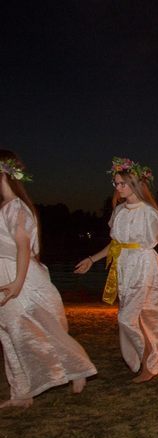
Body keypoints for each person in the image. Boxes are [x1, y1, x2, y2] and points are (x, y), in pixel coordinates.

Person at [75, 157, 158, 383]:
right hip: (124, 266)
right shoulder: (119, 211)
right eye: (115, 183)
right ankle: (149, 362)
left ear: (134, 183)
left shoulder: (148, 212)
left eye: (122, 183)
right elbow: (115, 244)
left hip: (144, 265)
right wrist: (91, 259)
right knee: (138, 318)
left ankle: (149, 364)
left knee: (128, 318)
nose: (118, 187)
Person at [0, 150, 97, 407]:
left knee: (33, 328)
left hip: (18, 275)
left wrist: (17, 283)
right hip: (4, 273)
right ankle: (21, 393)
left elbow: (23, 247)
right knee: (7, 333)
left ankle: (77, 367)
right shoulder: (5, 207)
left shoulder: (16, 208)